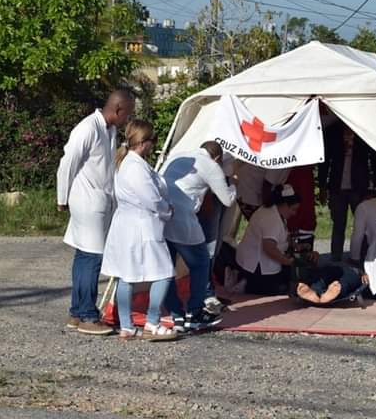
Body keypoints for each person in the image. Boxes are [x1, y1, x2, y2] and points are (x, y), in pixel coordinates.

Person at [56, 89, 134, 335]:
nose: (128, 120)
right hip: (87, 202)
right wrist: (62, 196)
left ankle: (77, 312)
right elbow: (67, 162)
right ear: (118, 109)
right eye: (128, 114)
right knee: (92, 258)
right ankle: (89, 315)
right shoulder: (88, 128)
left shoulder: (109, 130)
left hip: (99, 201)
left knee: (83, 257)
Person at [101, 120, 177, 341]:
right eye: (152, 141)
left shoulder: (124, 162)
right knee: (164, 272)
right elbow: (150, 199)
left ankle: (127, 325)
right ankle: (152, 322)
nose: (153, 145)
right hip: (142, 226)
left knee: (127, 276)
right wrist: (167, 210)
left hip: (126, 225)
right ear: (143, 143)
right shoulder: (135, 168)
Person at [161, 141, 239, 333]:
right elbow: (227, 200)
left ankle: (175, 312)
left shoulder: (177, 155)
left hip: (162, 214)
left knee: (167, 267)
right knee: (201, 262)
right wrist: (234, 184)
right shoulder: (211, 166)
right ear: (218, 158)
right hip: (183, 217)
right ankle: (195, 311)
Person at [318, 124, 376, 262]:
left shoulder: (363, 130)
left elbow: (375, 158)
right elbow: (324, 161)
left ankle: (363, 256)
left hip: (359, 186)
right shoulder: (333, 132)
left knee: (363, 223)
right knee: (338, 223)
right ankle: (336, 257)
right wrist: (322, 186)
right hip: (337, 186)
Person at [235, 184, 313, 295]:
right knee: (280, 287)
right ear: (285, 205)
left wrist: (296, 246)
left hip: (258, 262)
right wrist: (288, 262)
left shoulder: (275, 211)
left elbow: (283, 235)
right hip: (256, 266)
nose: (294, 213)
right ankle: (245, 283)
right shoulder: (271, 218)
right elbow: (269, 248)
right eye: (293, 209)